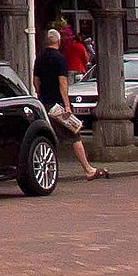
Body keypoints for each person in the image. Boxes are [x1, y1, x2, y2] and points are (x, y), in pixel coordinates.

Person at [33, 28, 109, 180]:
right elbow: (63, 82)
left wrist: (41, 95)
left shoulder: (39, 58)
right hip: (58, 105)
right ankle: (88, 169)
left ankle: (48, 170)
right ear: (59, 42)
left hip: (45, 104)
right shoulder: (60, 58)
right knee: (74, 134)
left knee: (49, 136)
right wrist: (67, 105)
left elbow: (36, 81)